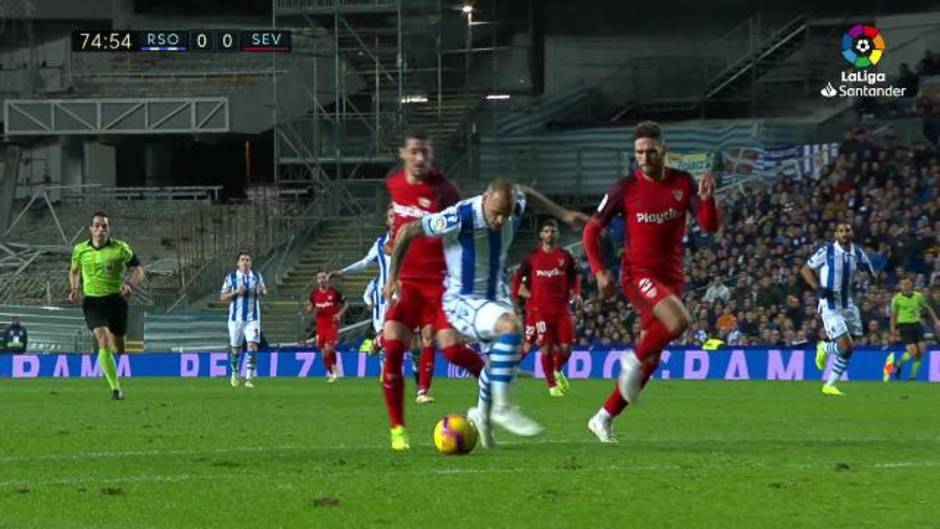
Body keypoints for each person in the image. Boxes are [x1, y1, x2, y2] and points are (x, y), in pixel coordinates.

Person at [384, 178, 588, 449]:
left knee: (500, 360)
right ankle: (501, 408)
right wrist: (392, 277)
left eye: (507, 213)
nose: (501, 220)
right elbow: (410, 229)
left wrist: (562, 214)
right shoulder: (462, 215)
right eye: (496, 213)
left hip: (495, 297)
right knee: (510, 328)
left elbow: (525, 191)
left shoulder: (512, 204)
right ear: (485, 199)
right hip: (463, 299)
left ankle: (481, 413)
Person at [582, 121, 720, 443]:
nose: (644, 158)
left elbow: (709, 226)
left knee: (651, 359)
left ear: (664, 150)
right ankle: (630, 357)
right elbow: (591, 231)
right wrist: (600, 271)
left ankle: (603, 418)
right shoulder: (624, 188)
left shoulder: (683, 182)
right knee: (679, 320)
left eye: (650, 151)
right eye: (639, 152)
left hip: (672, 278)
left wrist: (708, 199)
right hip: (637, 274)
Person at [379, 128, 487, 451]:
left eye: (425, 152)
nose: (420, 158)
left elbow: (465, 231)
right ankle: (398, 429)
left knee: (452, 350)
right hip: (408, 287)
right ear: (403, 153)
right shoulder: (394, 185)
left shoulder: (445, 190)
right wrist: (393, 275)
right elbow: (400, 227)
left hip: (442, 285)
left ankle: (492, 381)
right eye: (414, 151)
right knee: (393, 350)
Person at [330, 206, 436, 404]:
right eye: (390, 216)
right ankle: (388, 378)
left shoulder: (413, 241)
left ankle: (418, 388)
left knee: (414, 346)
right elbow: (364, 263)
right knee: (392, 342)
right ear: (387, 221)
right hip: (386, 297)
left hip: (409, 295)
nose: (395, 219)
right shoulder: (380, 244)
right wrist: (343, 272)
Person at [69, 211, 145, 400]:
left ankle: (117, 358)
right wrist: (74, 288)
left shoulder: (120, 248)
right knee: (103, 341)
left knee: (119, 346)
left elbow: (138, 270)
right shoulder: (80, 250)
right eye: (96, 225)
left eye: (104, 226)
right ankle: (116, 389)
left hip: (116, 301)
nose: (100, 229)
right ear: (91, 229)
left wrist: (130, 284)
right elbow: (74, 270)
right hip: (93, 302)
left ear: (109, 229)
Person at [801, 222, 877, 396]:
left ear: (852, 233)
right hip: (830, 304)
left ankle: (825, 351)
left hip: (848, 304)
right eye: (841, 231)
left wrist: (871, 276)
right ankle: (829, 382)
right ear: (836, 234)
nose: (844, 233)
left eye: (847, 230)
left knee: (850, 346)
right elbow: (805, 269)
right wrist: (817, 288)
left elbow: (873, 275)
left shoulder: (857, 253)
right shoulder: (827, 251)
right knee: (846, 346)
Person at [515, 219, 582, 397]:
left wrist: (577, 292)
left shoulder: (565, 256)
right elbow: (518, 278)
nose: (549, 234)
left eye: (552, 231)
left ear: (557, 234)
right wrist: (519, 295)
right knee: (544, 346)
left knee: (567, 348)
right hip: (539, 310)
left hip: (561, 309)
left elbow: (575, 277)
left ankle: (557, 370)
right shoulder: (532, 258)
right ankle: (552, 386)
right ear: (541, 235)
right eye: (546, 231)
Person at [219, 251, 267, 388]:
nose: (245, 262)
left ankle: (249, 378)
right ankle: (234, 372)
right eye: (242, 260)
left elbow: (264, 291)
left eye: (247, 259)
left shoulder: (256, 276)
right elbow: (222, 297)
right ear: (238, 263)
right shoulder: (232, 277)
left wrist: (260, 291)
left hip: (253, 318)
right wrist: (235, 292)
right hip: (235, 319)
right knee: (236, 349)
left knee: (252, 345)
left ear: (250, 263)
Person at [885, 276, 940, 381]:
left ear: (911, 284)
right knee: (913, 352)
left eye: (907, 284)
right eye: (903, 284)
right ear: (900, 286)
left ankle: (912, 377)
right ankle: (898, 364)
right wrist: (892, 330)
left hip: (917, 325)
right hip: (905, 326)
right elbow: (893, 316)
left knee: (922, 350)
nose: (905, 286)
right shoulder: (897, 299)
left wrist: (936, 320)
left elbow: (927, 308)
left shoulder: (918, 296)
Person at [306, 271, 347, 383]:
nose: (322, 279)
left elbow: (346, 304)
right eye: (319, 277)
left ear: (327, 279)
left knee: (329, 347)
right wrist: (309, 308)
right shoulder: (314, 294)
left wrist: (339, 314)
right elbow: (310, 306)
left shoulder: (334, 292)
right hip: (320, 326)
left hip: (332, 324)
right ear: (317, 280)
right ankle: (333, 372)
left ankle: (334, 370)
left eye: (323, 277)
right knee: (324, 353)